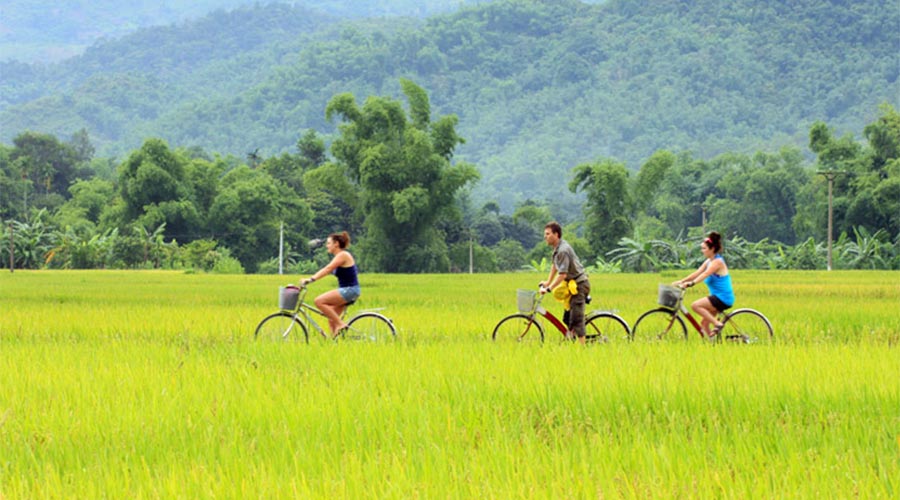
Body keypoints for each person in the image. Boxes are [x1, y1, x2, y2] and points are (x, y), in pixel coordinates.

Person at [674, 231, 734, 340]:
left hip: (722, 298)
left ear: (712, 249)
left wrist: (691, 283)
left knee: (695, 306)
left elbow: (705, 274)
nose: (702, 251)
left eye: (704, 248)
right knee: (704, 324)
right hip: (716, 297)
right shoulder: (708, 261)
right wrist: (682, 281)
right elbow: (698, 272)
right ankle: (714, 345)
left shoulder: (717, 262)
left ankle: (717, 324)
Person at [539, 221, 591, 345]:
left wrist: (549, 288)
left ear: (556, 234)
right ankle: (572, 339)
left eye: (548, 234)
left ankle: (582, 349)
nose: (545, 237)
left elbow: (563, 274)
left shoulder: (563, 250)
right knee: (567, 318)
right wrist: (548, 282)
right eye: (545, 234)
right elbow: (555, 266)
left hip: (579, 286)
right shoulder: (557, 248)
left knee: (576, 319)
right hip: (571, 285)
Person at [300, 231, 360, 337]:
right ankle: (336, 342)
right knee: (332, 319)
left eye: (328, 243)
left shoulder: (343, 255)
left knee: (319, 301)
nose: (326, 246)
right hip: (348, 290)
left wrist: (311, 279)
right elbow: (328, 270)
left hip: (349, 290)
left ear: (336, 244)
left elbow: (327, 269)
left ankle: (341, 324)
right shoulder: (339, 256)